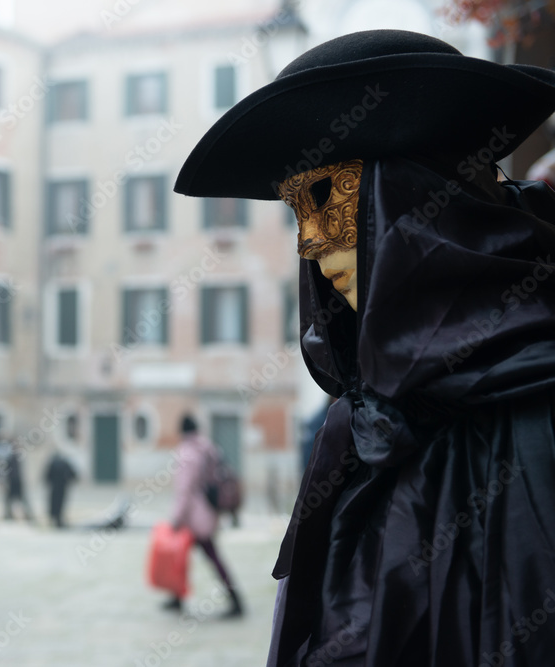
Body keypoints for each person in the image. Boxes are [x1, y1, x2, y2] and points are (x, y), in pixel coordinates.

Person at [175, 29, 555, 666]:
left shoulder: (539, 407)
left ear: (417, 192)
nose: (312, 245)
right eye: (298, 212)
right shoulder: (364, 424)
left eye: (327, 197)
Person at [163, 414, 243, 618]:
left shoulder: (188, 453)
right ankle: (177, 597)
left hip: (194, 517)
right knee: (185, 557)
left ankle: (236, 600)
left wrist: (176, 518)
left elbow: (185, 490)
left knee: (207, 557)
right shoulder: (208, 448)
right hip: (209, 512)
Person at [0, 435, 33, 522]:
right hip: (10, 480)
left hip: (17, 480)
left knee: (22, 498)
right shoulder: (7, 455)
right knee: (8, 499)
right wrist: (3, 481)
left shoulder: (17, 455)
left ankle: (28, 514)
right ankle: (7, 514)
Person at [43, 446, 77, 528]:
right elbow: (73, 475)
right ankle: (59, 520)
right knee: (60, 503)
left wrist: (48, 483)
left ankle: (53, 518)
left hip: (54, 487)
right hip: (62, 486)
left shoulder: (53, 463)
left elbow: (47, 476)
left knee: (53, 503)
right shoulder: (65, 463)